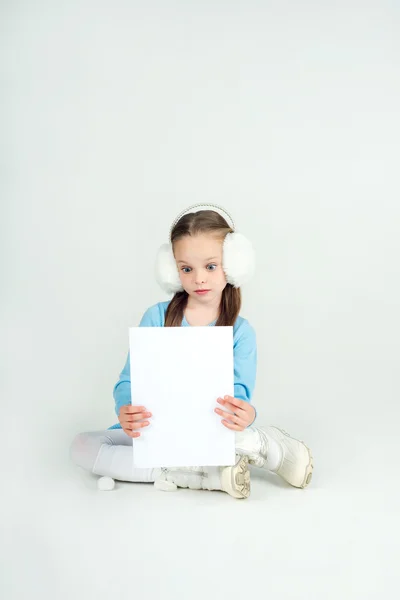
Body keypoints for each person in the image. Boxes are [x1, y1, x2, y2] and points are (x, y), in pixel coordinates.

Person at [70, 204, 313, 498]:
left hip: (209, 432)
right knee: (82, 446)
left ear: (234, 265)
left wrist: (243, 414)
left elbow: (239, 395)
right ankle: (198, 474)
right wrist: (126, 409)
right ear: (172, 270)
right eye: (186, 268)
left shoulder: (241, 332)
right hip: (154, 431)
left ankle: (265, 447)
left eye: (210, 266)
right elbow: (128, 380)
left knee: (225, 438)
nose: (199, 279)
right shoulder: (156, 317)